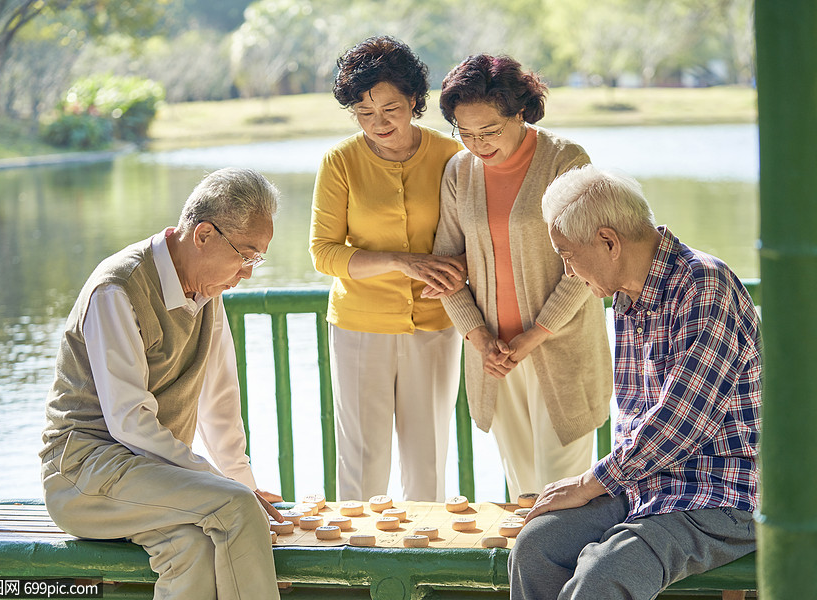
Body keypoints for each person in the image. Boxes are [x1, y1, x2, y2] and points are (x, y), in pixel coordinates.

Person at [509, 165, 761, 599]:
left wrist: (590, 483)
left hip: (719, 497)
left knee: (605, 571)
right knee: (537, 546)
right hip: (647, 486)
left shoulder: (705, 284)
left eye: (567, 254)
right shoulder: (627, 293)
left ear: (609, 241)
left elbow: (681, 423)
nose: (568, 271)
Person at [40, 168, 284, 599]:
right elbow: (129, 421)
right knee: (234, 508)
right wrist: (226, 489)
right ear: (204, 235)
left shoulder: (209, 293)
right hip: (82, 476)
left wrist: (239, 479)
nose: (248, 273)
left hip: (147, 476)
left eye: (257, 259)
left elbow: (219, 403)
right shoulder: (118, 288)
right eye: (247, 255)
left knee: (192, 548)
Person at [431, 54, 612, 501]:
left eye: (489, 130)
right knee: (524, 497)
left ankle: (571, 573)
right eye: (465, 132)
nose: (477, 144)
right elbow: (445, 265)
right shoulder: (459, 171)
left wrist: (535, 335)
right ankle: (533, 572)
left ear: (520, 112)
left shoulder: (564, 159)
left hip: (560, 348)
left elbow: (587, 264)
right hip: (494, 356)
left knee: (562, 495)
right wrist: (479, 338)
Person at [309, 36, 466, 503]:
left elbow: (476, 237)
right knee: (361, 460)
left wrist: (459, 268)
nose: (377, 123)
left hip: (436, 324)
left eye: (390, 109)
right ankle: (356, 569)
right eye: (363, 112)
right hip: (359, 327)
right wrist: (402, 262)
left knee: (427, 458)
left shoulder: (450, 156)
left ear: (415, 101)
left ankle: (425, 565)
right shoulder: (339, 161)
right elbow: (323, 253)